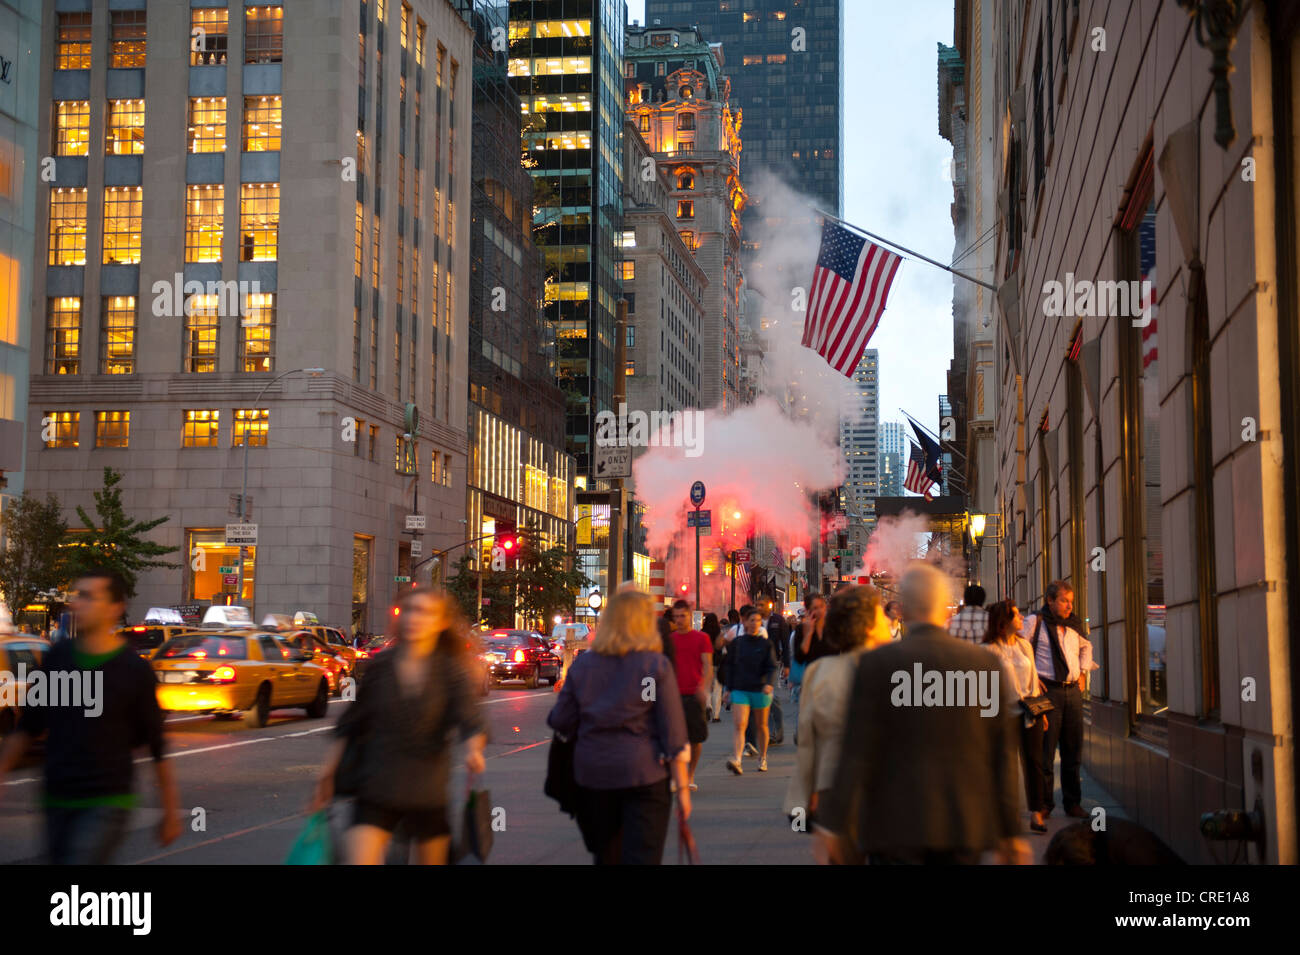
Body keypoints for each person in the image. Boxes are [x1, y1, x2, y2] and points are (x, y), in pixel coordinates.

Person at [815, 562, 1026, 865]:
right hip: (963, 827)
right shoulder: (982, 664)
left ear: (904, 610)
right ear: (944, 609)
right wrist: (1011, 831)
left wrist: (834, 824)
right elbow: (1003, 755)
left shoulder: (877, 665)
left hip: (893, 828)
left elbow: (855, 750)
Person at [0, 568, 181, 864]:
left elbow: (157, 745)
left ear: (115, 607)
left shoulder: (133, 670)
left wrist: (170, 812)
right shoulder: (58, 658)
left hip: (106, 800)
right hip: (56, 797)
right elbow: (29, 726)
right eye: (77, 595)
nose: (76, 604)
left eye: (87, 597)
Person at [312, 587, 488, 864]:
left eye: (424, 612)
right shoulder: (380, 665)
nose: (414, 618)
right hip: (377, 788)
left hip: (427, 793)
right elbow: (351, 723)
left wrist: (473, 750)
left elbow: (470, 720)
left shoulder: (449, 670)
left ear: (441, 622)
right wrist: (328, 774)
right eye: (408, 610)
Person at [548, 589, 689, 864]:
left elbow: (560, 720)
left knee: (606, 855)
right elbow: (673, 733)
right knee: (643, 856)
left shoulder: (583, 665)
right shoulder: (654, 665)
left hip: (593, 776)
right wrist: (683, 790)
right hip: (643, 774)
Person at [783, 585, 892, 836]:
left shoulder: (828, 670)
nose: (887, 621)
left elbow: (808, 751)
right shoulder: (895, 669)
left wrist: (801, 807)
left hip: (839, 794)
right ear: (868, 626)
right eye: (881, 616)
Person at [1021, 579, 1095, 819]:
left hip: (1072, 692)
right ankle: (1044, 804)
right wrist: (1032, 678)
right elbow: (1020, 650)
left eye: (1071, 602)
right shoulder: (1035, 621)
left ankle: (1073, 803)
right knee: (1045, 751)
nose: (1069, 606)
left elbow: (1087, 648)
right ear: (1050, 600)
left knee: (1073, 750)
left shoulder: (1073, 625)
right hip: (1048, 692)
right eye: (1064, 601)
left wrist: (1083, 672)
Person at [984, 599, 1050, 833]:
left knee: (1034, 762)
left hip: (1029, 712)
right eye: (1016, 615)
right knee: (1006, 764)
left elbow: (1033, 681)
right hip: (1002, 715)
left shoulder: (1025, 646)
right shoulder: (988, 650)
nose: (1022, 618)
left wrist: (1040, 712)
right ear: (1003, 623)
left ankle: (1036, 813)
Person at [724, 608, 779, 775]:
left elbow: (772, 666)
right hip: (740, 689)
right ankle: (737, 759)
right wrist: (728, 688)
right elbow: (729, 666)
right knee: (740, 724)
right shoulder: (737, 644)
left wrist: (769, 683)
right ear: (745, 622)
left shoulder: (766, 644)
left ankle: (762, 757)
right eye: (751, 620)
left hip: (760, 689)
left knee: (761, 725)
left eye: (757, 620)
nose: (755, 623)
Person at [667, 599, 713, 790]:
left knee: (695, 739)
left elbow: (708, 666)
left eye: (682, 616)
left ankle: (690, 774)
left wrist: (704, 688)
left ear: (690, 615)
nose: (679, 620)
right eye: (676, 616)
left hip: (694, 695)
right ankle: (676, 776)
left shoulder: (701, 638)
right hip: (673, 695)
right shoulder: (669, 640)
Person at [701, 612, 723, 721]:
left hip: (705, 664)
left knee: (706, 687)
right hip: (717, 663)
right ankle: (716, 715)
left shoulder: (702, 633)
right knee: (718, 689)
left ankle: (707, 706)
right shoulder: (719, 632)